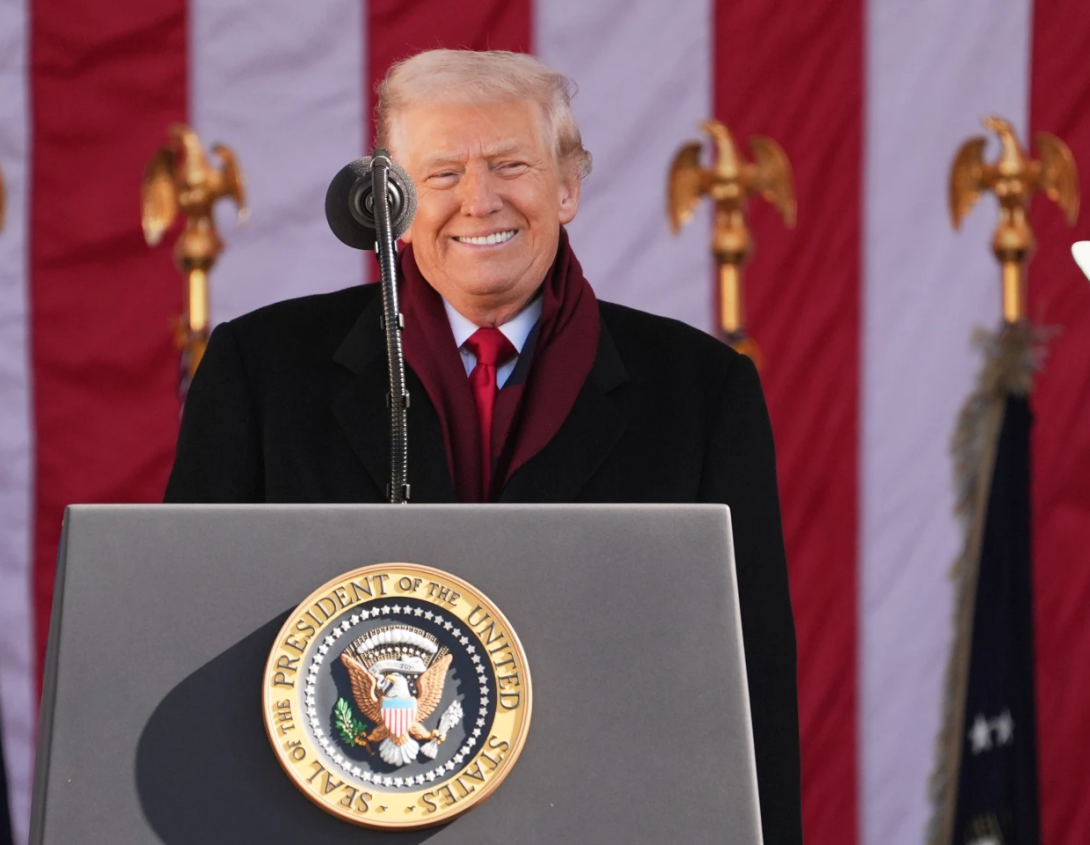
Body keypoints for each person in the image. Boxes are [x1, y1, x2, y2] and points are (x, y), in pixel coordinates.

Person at [165, 49, 801, 843]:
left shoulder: (700, 392)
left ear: (566, 187)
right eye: (442, 174)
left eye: (510, 165)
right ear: (392, 203)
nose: (479, 200)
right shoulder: (262, 372)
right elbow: (188, 641)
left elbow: (750, 679)